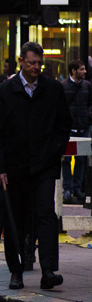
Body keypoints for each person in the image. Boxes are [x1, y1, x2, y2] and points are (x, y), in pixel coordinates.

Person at [0, 41, 73, 291]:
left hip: (44, 165)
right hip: (14, 168)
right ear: (21, 61)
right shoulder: (4, 92)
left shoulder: (53, 90)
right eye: (32, 62)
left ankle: (48, 271)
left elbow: (63, 124)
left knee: (46, 215)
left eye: (39, 63)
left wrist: (55, 149)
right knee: (16, 219)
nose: (36, 67)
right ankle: (16, 271)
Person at [61, 58, 91, 205]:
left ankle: (76, 187)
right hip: (70, 128)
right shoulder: (64, 87)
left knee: (81, 159)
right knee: (67, 159)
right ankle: (68, 188)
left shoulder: (87, 86)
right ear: (73, 71)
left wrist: (88, 117)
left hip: (83, 127)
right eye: (81, 69)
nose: (85, 71)